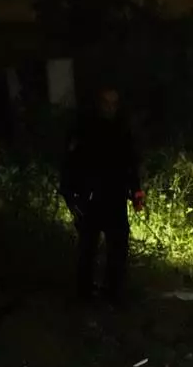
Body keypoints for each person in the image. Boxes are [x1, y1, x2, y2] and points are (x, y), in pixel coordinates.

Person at [59, 85, 144, 304]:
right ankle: (85, 294)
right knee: (88, 247)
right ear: (98, 104)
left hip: (115, 197)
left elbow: (131, 164)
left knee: (118, 246)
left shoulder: (122, 130)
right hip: (90, 198)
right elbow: (71, 164)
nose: (110, 108)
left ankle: (113, 293)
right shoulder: (86, 129)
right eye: (106, 103)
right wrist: (71, 196)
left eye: (114, 103)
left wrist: (136, 193)